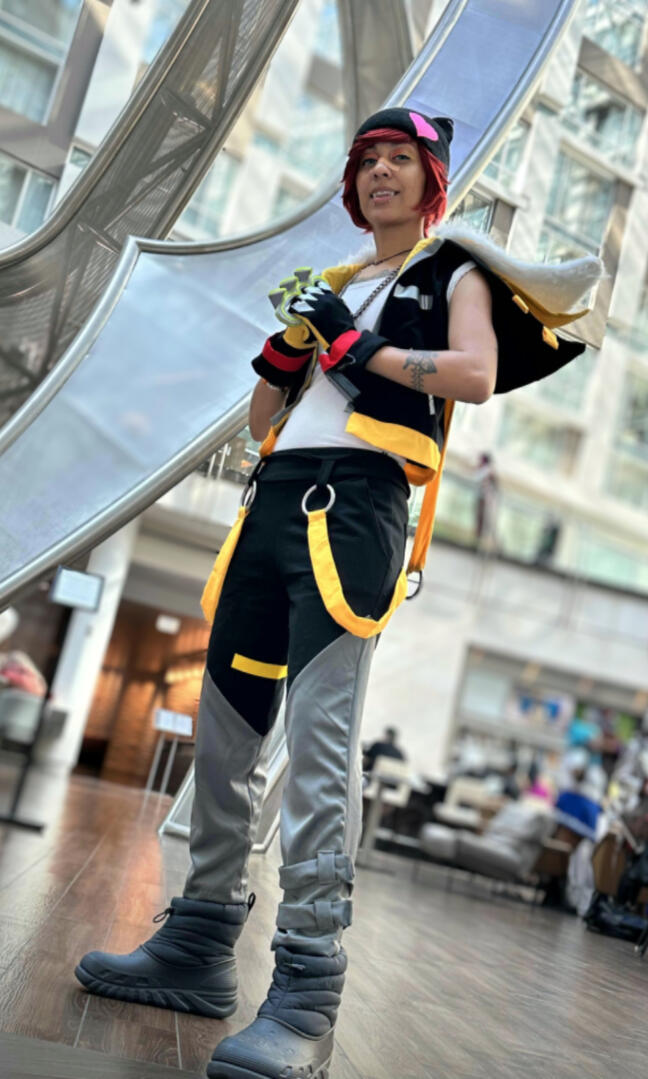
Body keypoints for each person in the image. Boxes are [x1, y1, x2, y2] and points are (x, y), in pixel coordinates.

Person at [74, 107, 601, 1079]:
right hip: (271, 502)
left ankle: (308, 990)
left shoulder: (454, 271)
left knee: (316, 748)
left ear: (431, 179)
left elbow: (475, 375)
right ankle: (197, 945)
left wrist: (358, 348)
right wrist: (290, 349)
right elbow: (261, 417)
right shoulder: (337, 281)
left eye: (401, 159)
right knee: (226, 733)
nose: (381, 173)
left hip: (354, 510)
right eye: (368, 162)